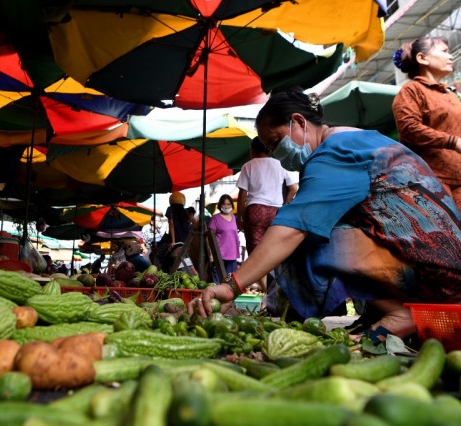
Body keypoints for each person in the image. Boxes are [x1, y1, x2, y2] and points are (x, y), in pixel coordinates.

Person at [189, 88, 461, 345]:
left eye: (275, 142)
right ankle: (385, 311)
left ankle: (400, 313)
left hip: (436, 275)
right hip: (445, 266)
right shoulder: (358, 139)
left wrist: (231, 286)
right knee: (317, 224)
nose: (277, 154)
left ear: (298, 121)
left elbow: (293, 227)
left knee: (306, 237)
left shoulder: (332, 154)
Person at [392, 35, 461, 212]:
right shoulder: (411, 90)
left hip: (459, 177)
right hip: (431, 180)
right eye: (445, 51)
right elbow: (410, 129)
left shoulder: (452, 95)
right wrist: (453, 141)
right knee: (448, 235)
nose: (451, 56)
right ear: (422, 58)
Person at [236, 137, 298, 291]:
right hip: (275, 212)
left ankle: (269, 293)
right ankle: (277, 292)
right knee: (274, 251)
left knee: (256, 256)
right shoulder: (280, 164)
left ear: (252, 150)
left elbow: (242, 195)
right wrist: (284, 206)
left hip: (255, 211)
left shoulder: (248, 166)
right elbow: (294, 188)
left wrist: (239, 217)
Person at [208, 194, 240, 284]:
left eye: (229, 204)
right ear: (220, 205)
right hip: (219, 253)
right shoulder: (215, 218)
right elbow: (210, 236)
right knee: (218, 278)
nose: (226, 206)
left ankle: (229, 297)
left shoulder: (234, 217)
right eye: (224, 204)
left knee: (230, 279)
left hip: (232, 253)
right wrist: (211, 253)